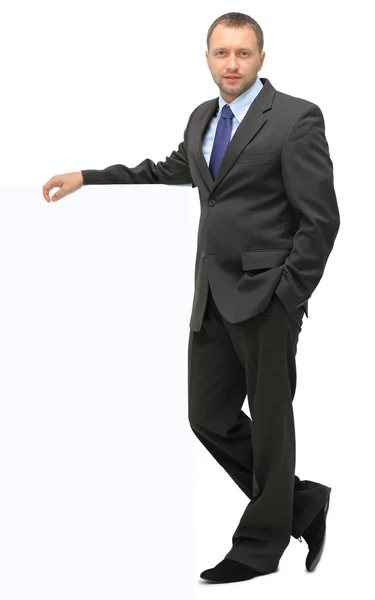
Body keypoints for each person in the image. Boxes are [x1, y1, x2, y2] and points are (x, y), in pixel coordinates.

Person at [42, 11, 340, 584]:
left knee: (273, 424)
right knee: (207, 415)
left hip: (268, 297)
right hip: (211, 296)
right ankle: (301, 502)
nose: (232, 64)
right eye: (221, 53)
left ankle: (258, 548)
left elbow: (322, 218)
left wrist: (288, 293)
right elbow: (173, 169)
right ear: (207, 57)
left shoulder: (297, 119)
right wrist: (89, 175)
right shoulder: (204, 117)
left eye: (243, 54)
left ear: (261, 59)